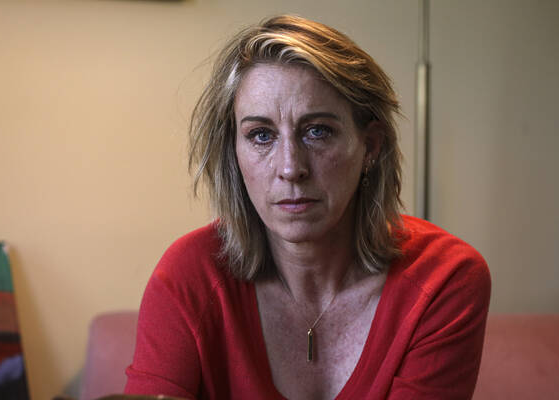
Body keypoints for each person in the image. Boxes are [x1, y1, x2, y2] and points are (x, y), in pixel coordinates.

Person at [124, 15, 490, 400]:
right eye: (260, 135)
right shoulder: (189, 277)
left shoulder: (443, 279)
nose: (290, 168)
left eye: (317, 131)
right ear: (234, 152)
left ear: (370, 145)